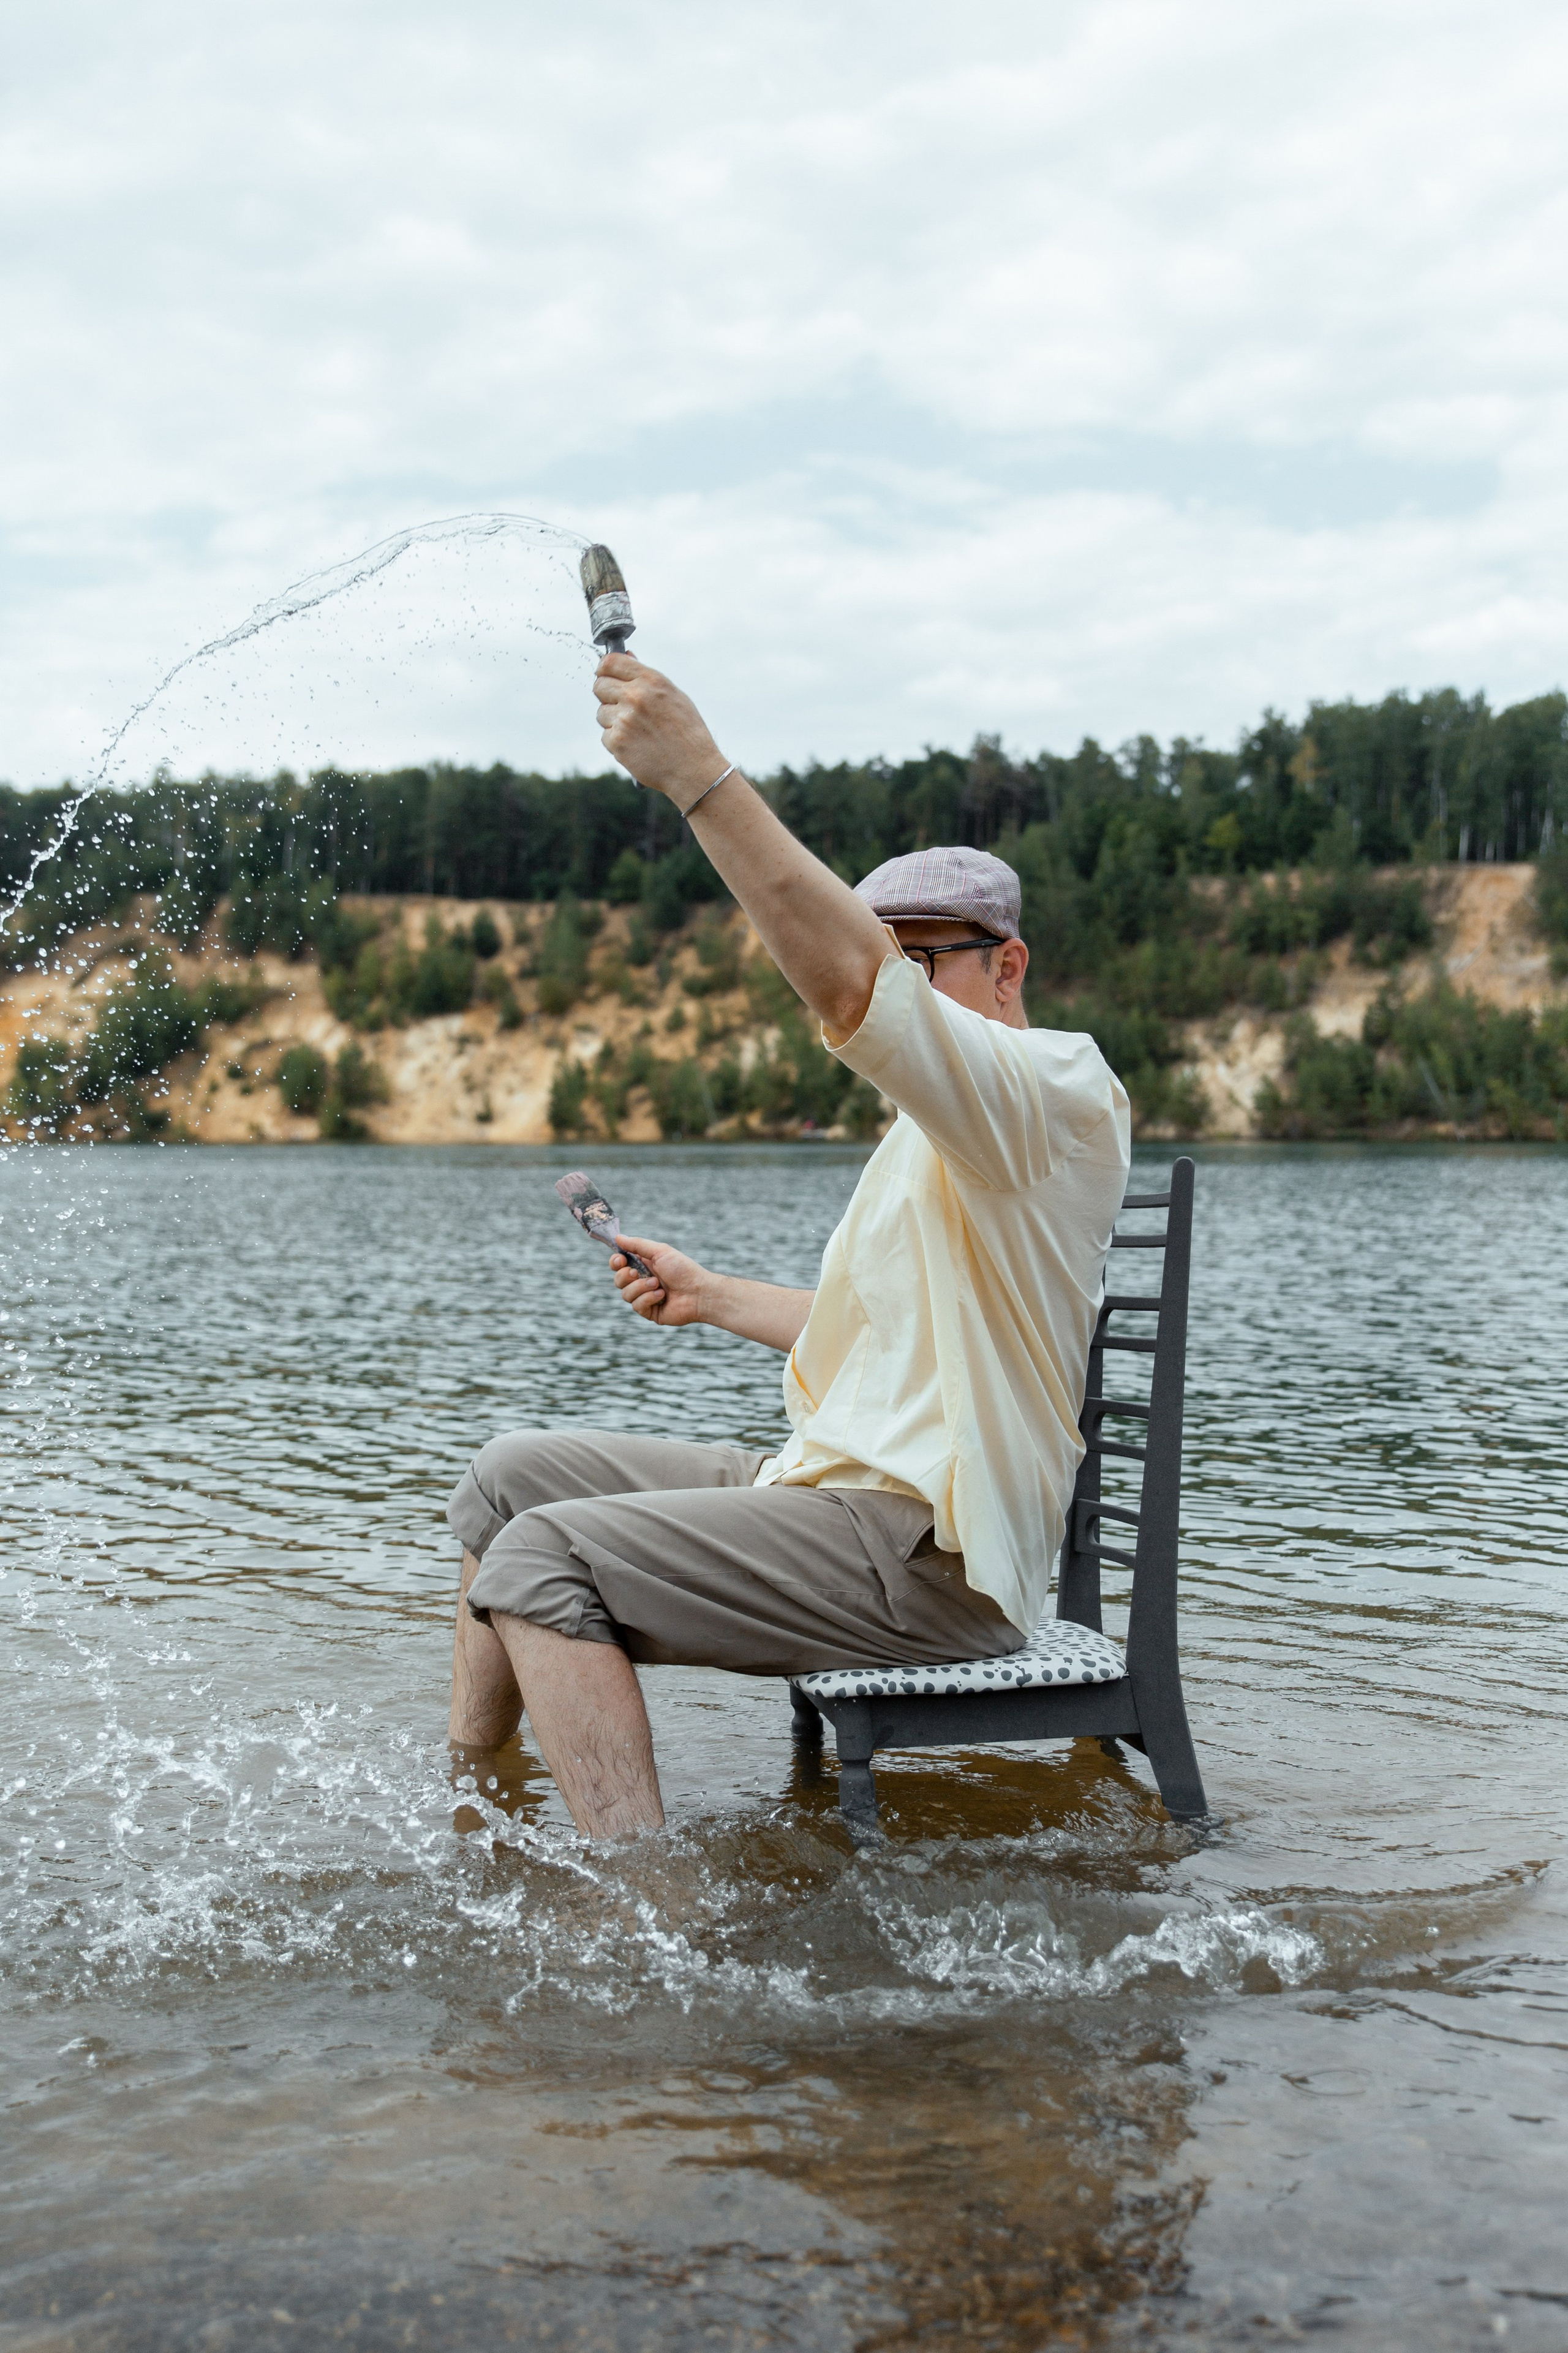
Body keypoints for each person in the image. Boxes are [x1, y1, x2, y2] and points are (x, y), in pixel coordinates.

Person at [445, 653, 1131, 1837]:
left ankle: (636, 1915)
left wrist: (700, 778)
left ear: (1007, 965)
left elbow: (848, 978)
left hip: (929, 1554)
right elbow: (877, 1343)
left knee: (545, 1558)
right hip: (832, 1489)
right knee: (507, 1477)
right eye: (890, 949)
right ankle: (465, 1802)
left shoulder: (1054, 1087)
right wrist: (708, 1294)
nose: (897, 977)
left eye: (927, 957)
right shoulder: (936, 1145)